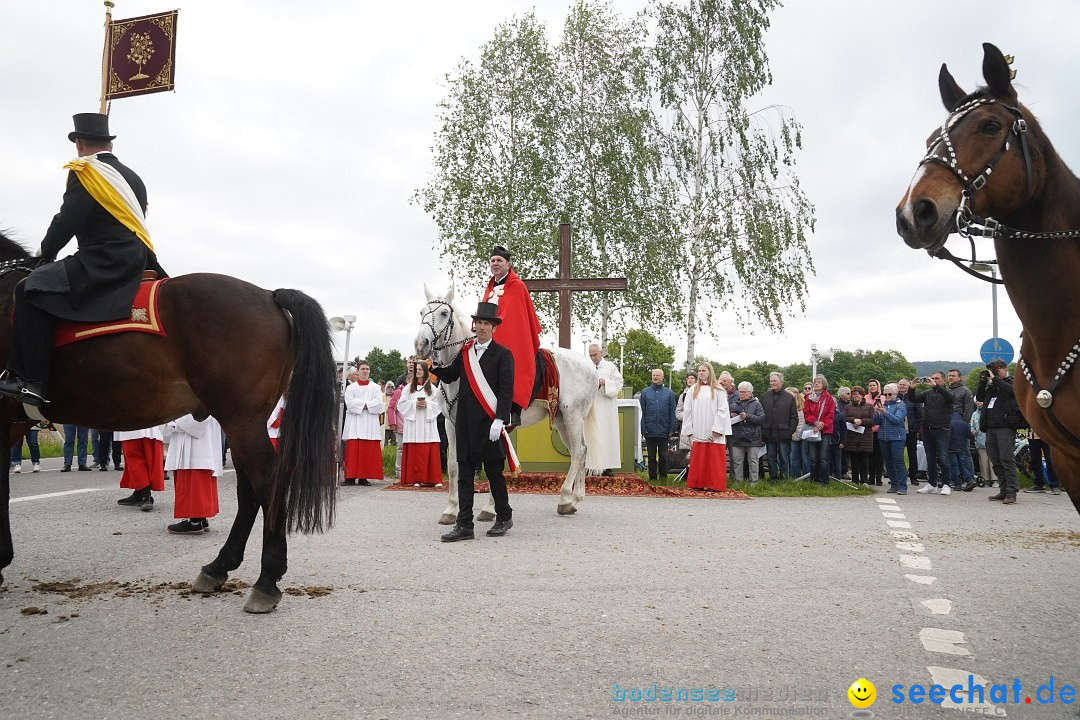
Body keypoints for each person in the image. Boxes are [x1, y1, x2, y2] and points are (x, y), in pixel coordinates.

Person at [0, 113, 166, 406]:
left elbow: (68, 220)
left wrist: (45, 254)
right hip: (137, 258)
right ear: (108, 143)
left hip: (103, 258)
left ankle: (32, 381)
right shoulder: (132, 177)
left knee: (28, 290)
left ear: (78, 143)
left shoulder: (85, 170)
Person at [432, 302, 515, 542]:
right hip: (466, 422)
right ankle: (464, 525)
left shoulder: (503, 354)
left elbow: (506, 390)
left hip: (489, 422)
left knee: (493, 473)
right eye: (478, 323)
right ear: (474, 325)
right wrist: (435, 366)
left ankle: (504, 516)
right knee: (465, 474)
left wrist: (500, 419)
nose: (481, 327)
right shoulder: (466, 352)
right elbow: (452, 375)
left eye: (486, 323)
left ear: (493, 328)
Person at [480, 245, 542, 426]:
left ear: (508, 264)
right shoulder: (490, 287)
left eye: (499, 260)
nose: (495, 264)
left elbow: (513, 318)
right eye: (492, 261)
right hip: (490, 334)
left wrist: (493, 330)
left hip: (510, 337)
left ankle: (512, 409)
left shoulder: (516, 286)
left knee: (513, 362)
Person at [164, 414, 223, 534]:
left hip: (196, 439)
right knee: (197, 476)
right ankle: (200, 517)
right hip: (202, 439)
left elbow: (199, 418)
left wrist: (175, 422)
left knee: (193, 477)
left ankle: (194, 521)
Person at [680, 363, 732, 491]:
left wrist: (718, 428)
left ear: (710, 372)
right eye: (699, 371)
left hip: (713, 430)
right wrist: (688, 429)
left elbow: (723, 410)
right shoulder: (693, 389)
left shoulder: (719, 390)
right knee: (699, 457)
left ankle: (714, 484)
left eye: (703, 370)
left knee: (713, 458)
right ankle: (698, 483)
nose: (701, 373)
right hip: (698, 428)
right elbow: (687, 410)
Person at [976, 360, 1021, 505]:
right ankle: (1003, 489)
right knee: (995, 460)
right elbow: (980, 398)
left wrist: (996, 379)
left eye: (997, 370)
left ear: (1005, 368)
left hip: (1006, 426)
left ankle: (1011, 492)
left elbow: (1012, 392)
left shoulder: (1013, 382)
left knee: (1006, 459)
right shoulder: (992, 386)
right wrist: (983, 382)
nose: (994, 373)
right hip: (990, 427)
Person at [396, 362, 443, 487]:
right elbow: (401, 404)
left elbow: (439, 404)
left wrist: (427, 405)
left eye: (420, 369)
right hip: (414, 423)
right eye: (416, 369)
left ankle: (433, 479)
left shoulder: (432, 388)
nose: (418, 372)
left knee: (430, 448)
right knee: (415, 451)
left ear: (425, 371)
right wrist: (413, 405)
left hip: (428, 423)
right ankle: (415, 479)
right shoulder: (408, 388)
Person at [342, 362, 385, 486]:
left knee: (367, 450)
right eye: (362, 369)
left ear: (369, 371)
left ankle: (363, 477)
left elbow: (378, 404)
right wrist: (367, 404)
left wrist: (361, 404)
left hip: (369, 423)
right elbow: (350, 404)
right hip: (354, 423)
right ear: (358, 372)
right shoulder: (351, 388)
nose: (365, 371)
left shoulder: (375, 387)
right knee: (352, 450)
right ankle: (349, 477)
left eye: (367, 369)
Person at [912, 372, 955, 494]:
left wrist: (936, 386)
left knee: (943, 457)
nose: (934, 380)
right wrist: (912, 387)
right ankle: (932, 483)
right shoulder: (927, 394)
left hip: (942, 429)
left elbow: (950, 398)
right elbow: (913, 399)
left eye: (937, 379)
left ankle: (946, 484)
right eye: (933, 378)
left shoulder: (948, 393)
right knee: (929, 458)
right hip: (928, 428)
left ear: (943, 381)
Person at [584, 343, 623, 475]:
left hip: (605, 407)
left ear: (601, 353)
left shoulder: (610, 367)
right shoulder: (586, 366)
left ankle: (606, 466)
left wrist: (606, 382)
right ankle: (590, 465)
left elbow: (618, 384)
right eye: (591, 355)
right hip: (591, 405)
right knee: (590, 434)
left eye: (595, 354)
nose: (593, 357)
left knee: (606, 435)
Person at [115, 425, 165, 511]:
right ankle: (139, 492)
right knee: (146, 456)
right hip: (149, 424)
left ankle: (145, 495)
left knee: (134, 457)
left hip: (134, 424)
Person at [639, 368, 676, 481]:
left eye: (657, 375)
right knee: (651, 456)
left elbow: (672, 412)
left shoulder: (669, 393)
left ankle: (663, 477)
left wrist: (671, 429)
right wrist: (643, 428)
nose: (655, 377)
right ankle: (652, 477)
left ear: (662, 377)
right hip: (649, 430)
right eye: (653, 375)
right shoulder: (645, 392)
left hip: (664, 429)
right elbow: (642, 412)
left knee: (664, 456)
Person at [760, 372, 796, 481]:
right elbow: (760, 415)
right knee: (771, 458)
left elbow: (794, 417)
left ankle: (784, 478)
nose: (773, 383)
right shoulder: (764, 397)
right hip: (769, 433)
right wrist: (762, 430)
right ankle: (773, 478)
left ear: (781, 382)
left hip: (783, 434)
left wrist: (790, 431)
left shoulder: (789, 398)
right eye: (771, 381)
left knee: (784, 457)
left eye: (775, 381)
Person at [801, 375, 835, 485]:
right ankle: (813, 480)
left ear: (824, 384)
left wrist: (822, 424)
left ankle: (824, 481)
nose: (816, 384)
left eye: (819, 382)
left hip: (825, 431)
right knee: (813, 457)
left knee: (823, 457)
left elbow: (830, 414)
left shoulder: (829, 398)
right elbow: (807, 413)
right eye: (815, 382)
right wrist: (815, 422)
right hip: (813, 429)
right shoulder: (808, 398)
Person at [728, 381, 765, 484]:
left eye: (744, 392)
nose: (741, 394)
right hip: (737, 436)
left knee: (753, 461)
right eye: (740, 392)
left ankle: (754, 482)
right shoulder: (734, 404)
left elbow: (761, 419)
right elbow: (726, 420)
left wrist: (747, 416)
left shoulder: (757, 404)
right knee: (737, 461)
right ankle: (738, 482)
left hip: (753, 437)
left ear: (750, 392)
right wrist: (732, 417)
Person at [876, 383, 909, 494]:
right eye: (885, 394)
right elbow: (877, 422)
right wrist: (876, 413)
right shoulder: (883, 405)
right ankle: (894, 484)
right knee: (888, 462)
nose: (887, 396)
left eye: (889, 394)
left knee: (898, 461)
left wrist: (884, 413)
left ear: (895, 394)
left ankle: (902, 486)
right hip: (883, 437)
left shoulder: (901, 405)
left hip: (897, 438)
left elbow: (897, 420)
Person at [844, 386, 875, 484]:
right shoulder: (848, 407)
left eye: (857, 395)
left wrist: (861, 421)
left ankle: (864, 480)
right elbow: (844, 418)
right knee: (854, 461)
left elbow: (872, 421)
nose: (855, 397)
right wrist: (853, 420)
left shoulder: (869, 407)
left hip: (865, 437)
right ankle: (855, 480)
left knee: (864, 461)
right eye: (853, 395)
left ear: (862, 395)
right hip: (852, 437)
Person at [897, 378, 922, 486]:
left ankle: (913, 477)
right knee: (898, 455)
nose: (902, 386)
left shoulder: (914, 398)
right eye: (900, 385)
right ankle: (898, 476)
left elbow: (920, 415)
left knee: (912, 454)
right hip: (898, 430)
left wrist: (915, 428)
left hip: (911, 430)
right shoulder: (894, 397)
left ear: (908, 386)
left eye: (904, 385)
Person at [864, 379, 885, 485]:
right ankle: (871, 477)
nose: (872, 387)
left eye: (874, 385)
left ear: (878, 386)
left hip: (880, 429)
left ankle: (879, 477)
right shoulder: (865, 398)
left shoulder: (883, 398)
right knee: (870, 455)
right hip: (868, 430)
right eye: (870, 385)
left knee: (879, 455)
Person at [787, 387, 806, 478]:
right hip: (792, 435)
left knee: (805, 457)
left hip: (803, 435)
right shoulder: (786, 407)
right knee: (793, 457)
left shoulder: (804, 405)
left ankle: (807, 476)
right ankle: (795, 476)